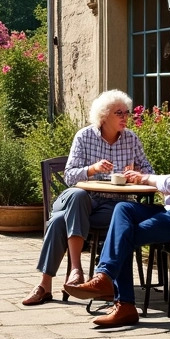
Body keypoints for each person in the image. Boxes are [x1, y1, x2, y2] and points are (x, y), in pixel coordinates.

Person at [64, 88, 170, 328]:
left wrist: (146, 179)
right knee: (124, 210)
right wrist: (152, 180)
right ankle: (107, 281)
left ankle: (119, 298)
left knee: (124, 236)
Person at [21, 90, 151, 309]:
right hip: (83, 200)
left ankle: (45, 285)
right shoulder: (84, 136)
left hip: (112, 205)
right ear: (104, 115)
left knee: (58, 221)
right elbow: (70, 175)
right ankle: (76, 268)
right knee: (78, 195)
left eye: (126, 113)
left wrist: (138, 171)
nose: (125, 117)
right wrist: (92, 169)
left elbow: (149, 170)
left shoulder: (131, 139)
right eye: (118, 112)